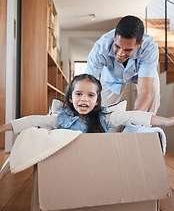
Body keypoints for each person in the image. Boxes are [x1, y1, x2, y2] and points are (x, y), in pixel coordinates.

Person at [0, 74, 173, 135]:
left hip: (98, 161)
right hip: (69, 164)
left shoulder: (106, 118)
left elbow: (134, 115)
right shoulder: (60, 118)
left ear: (97, 100)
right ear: (70, 98)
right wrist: (3, 128)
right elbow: (32, 120)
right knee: (40, 131)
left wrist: (165, 121)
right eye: (78, 94)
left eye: (90, 95)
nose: (84, 99)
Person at [86, 15, 160, 114]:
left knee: (152, 92)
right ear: (114, 37)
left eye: (128, 49)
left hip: (139, 73)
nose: (120, 54)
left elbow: (144, 92)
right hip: (112, 74)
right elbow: (87, 84)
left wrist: (135, 117)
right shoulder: (100, 48)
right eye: (117, 46)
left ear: (140, 44)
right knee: (102, 111)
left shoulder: (150, 48)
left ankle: (142, 127)